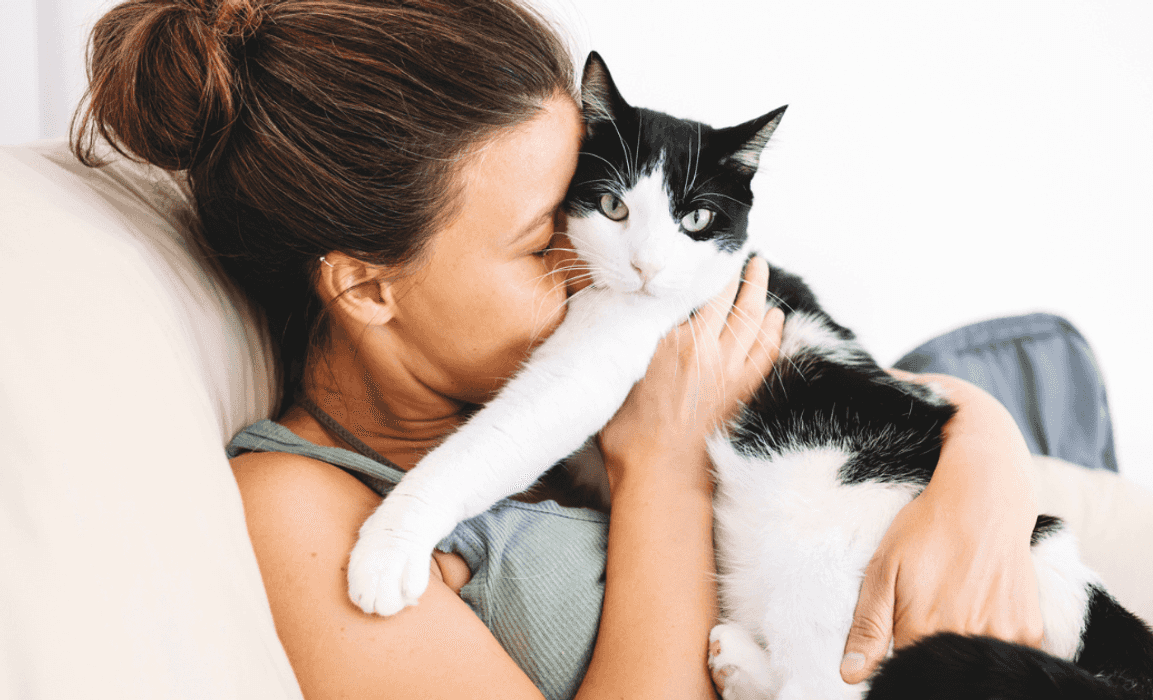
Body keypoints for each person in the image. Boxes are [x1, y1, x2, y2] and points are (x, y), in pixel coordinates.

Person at [73, 0, 1045, 697]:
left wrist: (987, 456)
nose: (596, 263)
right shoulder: (301, 511)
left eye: (587, 205)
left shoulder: (553, 361)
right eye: (546, 241)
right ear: (368, 285)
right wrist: (663, 460)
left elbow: (881, 395)